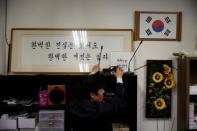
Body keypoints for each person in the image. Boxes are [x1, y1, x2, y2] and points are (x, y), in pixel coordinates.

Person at [68, 64, 125, 131]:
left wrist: (92, 75)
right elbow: (118, 98)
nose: (103, 91)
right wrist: (119, 78)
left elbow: (79, 88)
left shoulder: (73, 105)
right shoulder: (101, 110)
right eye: (100, 90)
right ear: (92, 95)